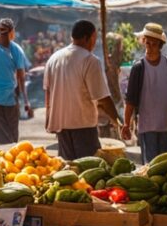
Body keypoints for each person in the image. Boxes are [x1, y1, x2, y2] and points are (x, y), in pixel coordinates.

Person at [44, 20, 121, 160]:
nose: (94, 43)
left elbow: (48, 92)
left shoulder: (53, 59)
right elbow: (103, 98)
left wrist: (49, 119)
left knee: (69, 172)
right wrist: (118, 122)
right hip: (84, 128)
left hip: (62, 128)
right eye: (94, 38)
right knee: (89, 174)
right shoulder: (90, 60)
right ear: (88, 37)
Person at [122, 22, 167, 164]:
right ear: (143, 42)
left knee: (166, 166)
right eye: (148, 43)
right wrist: (126, 124)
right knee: (151, 167)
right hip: (147, 126)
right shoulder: (138, 68)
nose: (150, 47)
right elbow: (130, 100)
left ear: (160, 45)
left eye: (154, 44)